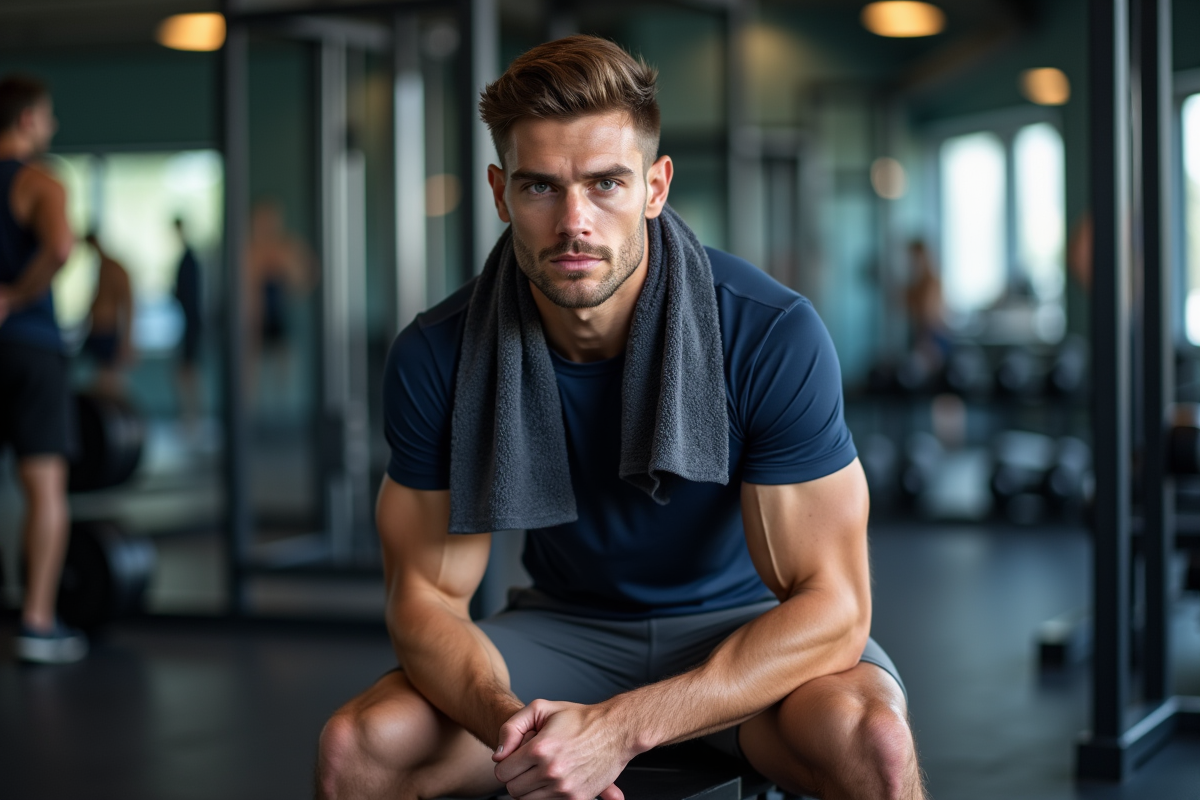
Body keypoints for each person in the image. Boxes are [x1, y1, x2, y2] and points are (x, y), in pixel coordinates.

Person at [317, 36, 924, 800]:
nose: (575, 223)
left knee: (872, 744)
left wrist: (621, 727)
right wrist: (516, 728)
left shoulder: (770, 333)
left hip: (741, 629)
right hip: (564, 631)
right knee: (359, 748)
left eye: (606, 184)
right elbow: (426, 600)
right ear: (501, 193)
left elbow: (833, 607)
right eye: (541, 188)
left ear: (656, 186)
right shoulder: (438, 354)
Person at [0, 74, 86, 663]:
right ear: (27, 120)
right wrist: (14, 296)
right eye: (47, 116)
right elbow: (59, 248)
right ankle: (36, 622)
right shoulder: (40, 180)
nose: (50, 127)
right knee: (43, 486)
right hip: (29, 347)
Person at [82, 232, 134, 397]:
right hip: (97, 331)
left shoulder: (114, 269)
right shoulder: (101, 267)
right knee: (101, 378)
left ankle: (127, 417)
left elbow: (128, 305)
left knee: (109, 380)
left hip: (108, 330)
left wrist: (127, 340)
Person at [172, 216, 202, 430]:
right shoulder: (187, 257)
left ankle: (192, 417)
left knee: (187, 372)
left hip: (193, 322)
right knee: (185, 372)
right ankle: (190, 416)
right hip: (188, 321)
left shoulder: (190, 259)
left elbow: (190, 294)